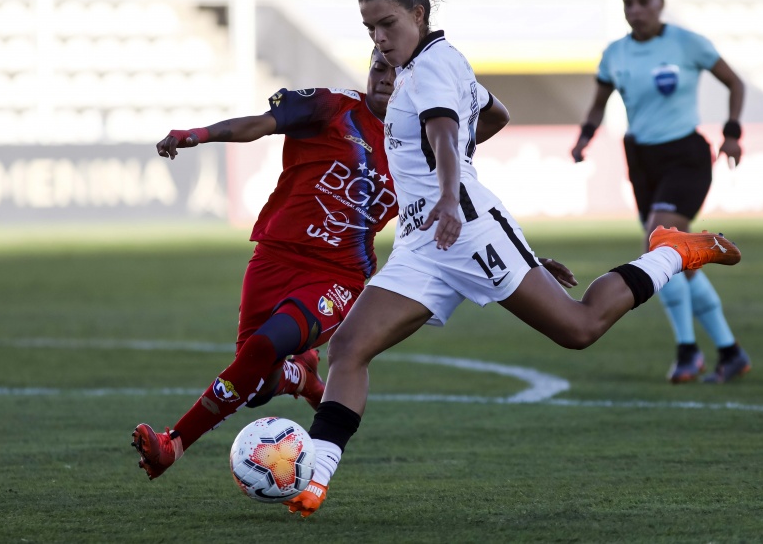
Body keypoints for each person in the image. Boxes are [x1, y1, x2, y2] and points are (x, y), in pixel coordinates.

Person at [284, 0, 742, 518]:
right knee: (349, 347)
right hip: (427, 242)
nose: (378, 38)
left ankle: (673, 251)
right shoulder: (431, 66)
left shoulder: (433, 67)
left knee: (578, 329)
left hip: (461, 229)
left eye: (387, 24)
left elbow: (448, 132)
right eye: (369, 28)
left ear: (419, 13)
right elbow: (493, 114)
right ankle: (314, 480)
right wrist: (480, 212)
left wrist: (452, 195)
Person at [131, 48, 514, 479]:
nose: (385, 77)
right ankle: (301, 378)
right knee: (255, 386)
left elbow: (495, 120)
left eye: (396, 72)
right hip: (274, 256)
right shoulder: (333, 106)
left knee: (261, 349)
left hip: (339, 276)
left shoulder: (419, 142)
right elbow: (259, 124)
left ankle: (173, 444)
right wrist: (198, 135)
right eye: (378, 67)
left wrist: (458, 79)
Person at [572, 0, 751, 385]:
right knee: (679, 262)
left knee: (660, 246)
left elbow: (734, 82)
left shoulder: (687, 43)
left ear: (660, 2)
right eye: (628, 3)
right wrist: (584, 137)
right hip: (641, 159)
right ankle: (730, 351)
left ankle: (688, 353)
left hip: (685, 154)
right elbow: (599, 103)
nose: (635, 10)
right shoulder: (614, 53)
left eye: (643, 1)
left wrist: (732, 134)